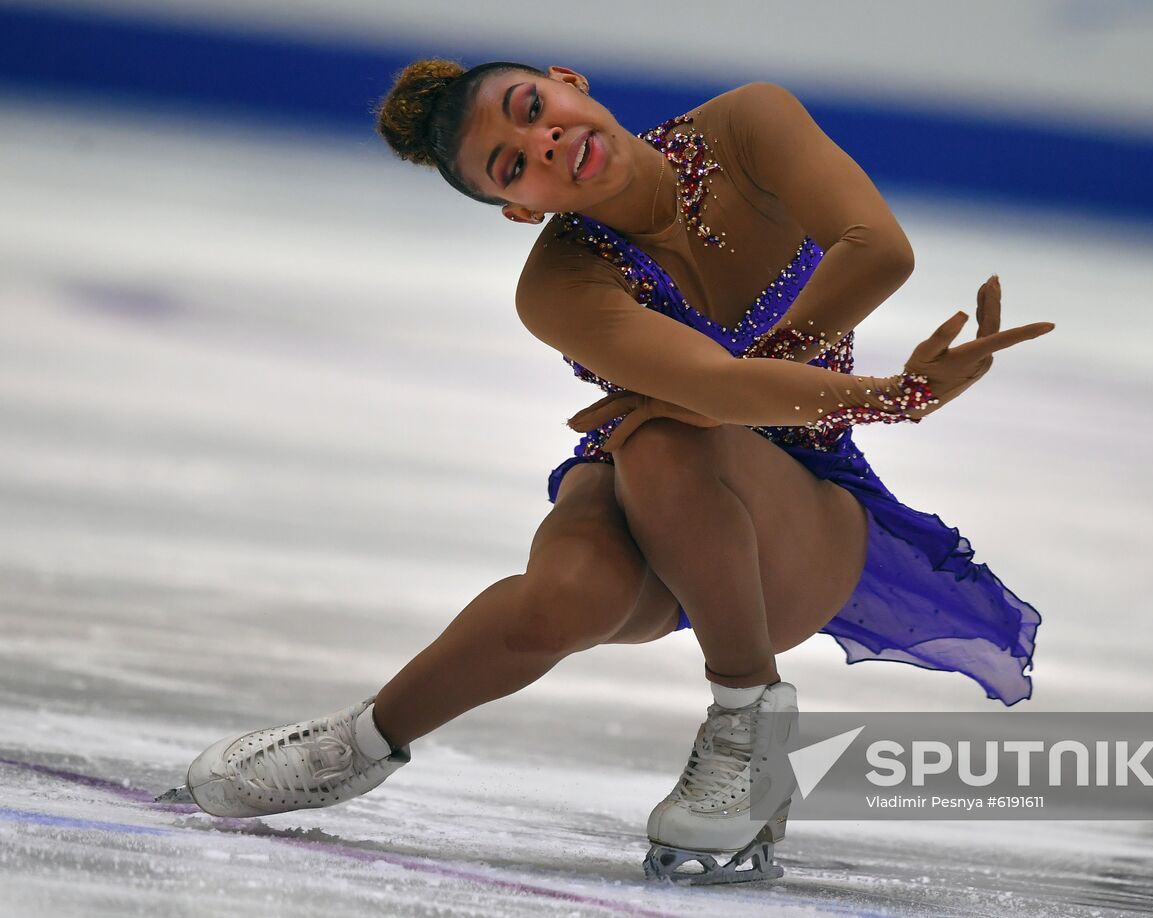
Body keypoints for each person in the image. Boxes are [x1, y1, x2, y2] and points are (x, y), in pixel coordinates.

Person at [159, 59, 1054, 885]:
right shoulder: (559, 285)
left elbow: (878, 249)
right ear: (521, 210)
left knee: (664, 438)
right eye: (514, 166)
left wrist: (713, 396)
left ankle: (745, 715)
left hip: (799, 504)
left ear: (568, 81)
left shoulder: (748, 125)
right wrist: (872, 395)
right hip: (640, 479)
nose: (545, 143)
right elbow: (717, 389)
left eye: (532, 109)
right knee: (569, 591)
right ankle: (356, 745)